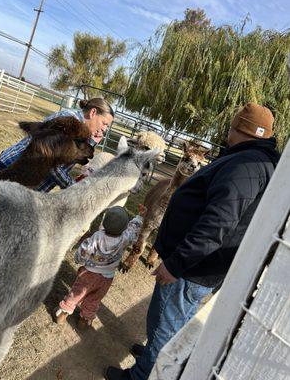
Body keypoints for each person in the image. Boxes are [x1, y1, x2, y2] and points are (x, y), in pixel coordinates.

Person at [105, 102, 280, 380]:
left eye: (232, 128)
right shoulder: (255, 161)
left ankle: (143, 374)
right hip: (200, 265)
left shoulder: (246, 165)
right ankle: (157, 356)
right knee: (175, 320)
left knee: (166, 323)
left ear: (238, 129)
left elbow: (217, 223)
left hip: (192, 268)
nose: (228, 134)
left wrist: (176, 264)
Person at [0, 97, 114, 192]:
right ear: (93, 112)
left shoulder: (81, 132)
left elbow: (77, 154)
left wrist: (92, 142)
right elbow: (49, 161)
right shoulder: (69, 122)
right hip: (12, 170)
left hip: (25, 181)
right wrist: (72, 187)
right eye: (104, 123)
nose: (104, 129)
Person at [54, 205, 146, 329]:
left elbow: (84, 251)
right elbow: (134, 229)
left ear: (104, 222)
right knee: (94, 299)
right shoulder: (125, 238)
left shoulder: (97, 237)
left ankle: (62, 314)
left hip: (89, 274)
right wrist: (139, 216)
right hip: (107, 278)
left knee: (76, 294)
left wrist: (78, 260)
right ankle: (84, 320)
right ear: (125, 227)